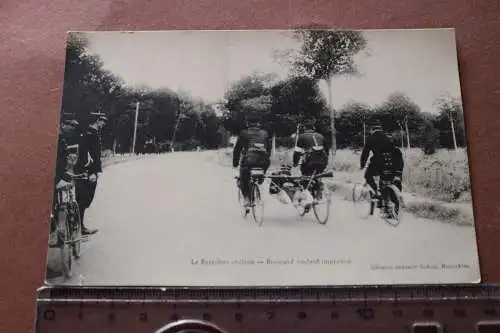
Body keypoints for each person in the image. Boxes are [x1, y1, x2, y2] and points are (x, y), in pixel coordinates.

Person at [73, 115, 107, 235]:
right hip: (88, 172)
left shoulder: (92, 133)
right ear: (97, 121)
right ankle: (79, 226)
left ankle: (77, 225)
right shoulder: (90, 134)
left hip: (87, 171)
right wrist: (92, 172)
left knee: (83, 199)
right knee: (84, 199)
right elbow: (87, 155)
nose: (104, 124)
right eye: (102, 121)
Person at [360, 123, 404, 206]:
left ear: (372, 130)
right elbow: (395, 151)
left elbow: (365, 153)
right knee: (388, 181)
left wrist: (362, 165)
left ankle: (377, 192)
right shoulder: (387, 138)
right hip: (392, 164)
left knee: (367, 176)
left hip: (378, 163)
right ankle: (393, 206)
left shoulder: (371, 138)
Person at [232, 115, 272, 208]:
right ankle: (259, 181)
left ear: (247, 123)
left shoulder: (243, 133)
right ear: (259, 124)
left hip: (249, 161)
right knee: (259, 175)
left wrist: (235, 163)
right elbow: (269, 149)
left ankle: (246, 198)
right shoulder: (264, 133)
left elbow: (237, 149)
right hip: (264, 161)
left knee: (243, 180)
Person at [292, 117, 330, 204]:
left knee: (305, 175)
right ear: (314, 128)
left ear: (304, 128)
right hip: (323, 161)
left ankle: (307, 195)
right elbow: (327, 151)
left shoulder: (302, 137)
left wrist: (295, 163)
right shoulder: (321, 136)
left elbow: (297, 152)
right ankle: (319, 192)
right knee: (317, 175)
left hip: (310, 161)